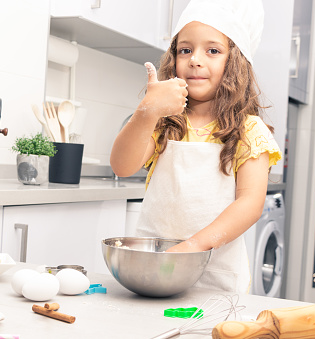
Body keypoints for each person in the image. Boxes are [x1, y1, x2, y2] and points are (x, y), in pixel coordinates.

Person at [110, 0, 281, 293]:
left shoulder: (249, 130)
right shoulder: (165, 122)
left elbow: (250, 204)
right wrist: (147, 111)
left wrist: (194, 246)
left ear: (235, 63)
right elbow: (122, 166)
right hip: (156, 268)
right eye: (185, 50)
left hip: (215, 275)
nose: (195, 60)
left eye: (212, 50)